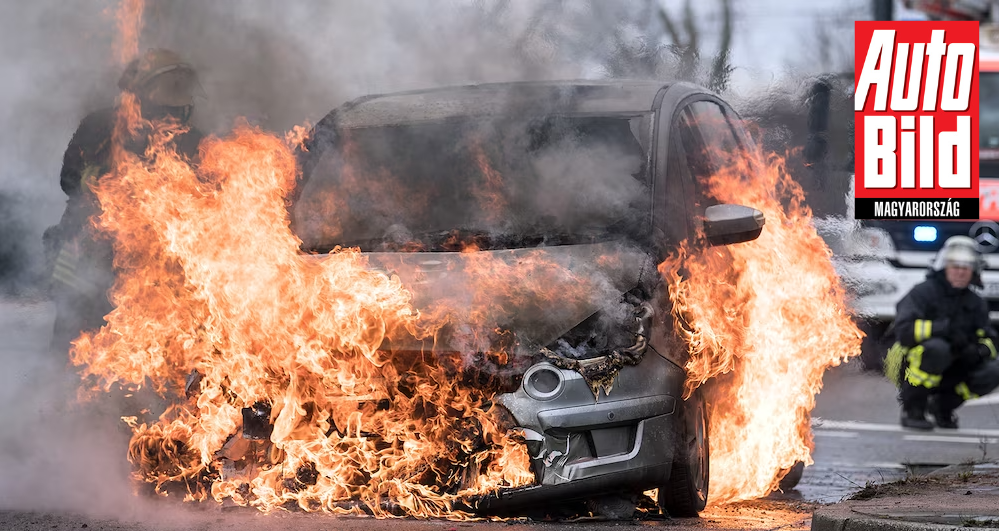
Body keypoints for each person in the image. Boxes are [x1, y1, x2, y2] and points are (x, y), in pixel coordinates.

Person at [45, 48, 205, 357]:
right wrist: (97, 182)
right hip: (84, 244)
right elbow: (68, 179)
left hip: (149, 254)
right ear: (142, 93)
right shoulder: (100, 126)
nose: (173, 109)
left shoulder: (191, 138)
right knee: (73, 327)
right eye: (168, 91)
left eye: (181, 92)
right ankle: (57, 388)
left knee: (146, 334)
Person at [885, 235, 999, 430]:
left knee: (993, 370)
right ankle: (913, 410)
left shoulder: (976, 303)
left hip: (953, 363)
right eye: (955, 267)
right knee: (936, 350)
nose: (960, 272)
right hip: (907, 361)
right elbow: (904, 331)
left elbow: (990, 339)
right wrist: (941, 330)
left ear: (974, 271)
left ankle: (942, 407)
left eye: (965, 268)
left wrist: (978, 350)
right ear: (944, 267)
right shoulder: (922, 293)